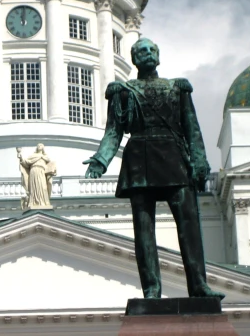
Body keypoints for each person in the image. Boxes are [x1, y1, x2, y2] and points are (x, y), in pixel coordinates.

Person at [84, 38, 224, 299]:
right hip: (139, 161)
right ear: (134, 60)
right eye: (141, 51)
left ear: (158, 56)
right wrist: (100, 160)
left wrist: (200, 162)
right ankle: (151, 289)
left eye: (151, 50)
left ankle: (198, 286)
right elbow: (113, 131)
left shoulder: (177, 88)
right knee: (144, 229)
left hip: (174, 157)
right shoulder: (123, 92)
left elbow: (192, 129)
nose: (147, 54)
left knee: (189, 225)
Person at [17, 143, 56, 210]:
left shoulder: (45, 157)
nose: (39, 146)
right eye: (38, 145)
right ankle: (33, 202)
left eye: (40, 145)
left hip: (41, 172)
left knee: (42, 186)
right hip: (33, 171)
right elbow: (26, 163)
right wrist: (20, 157)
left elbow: (50, 164)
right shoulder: (33, 156)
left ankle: (43, 202)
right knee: (34, 187)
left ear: (43, 148)